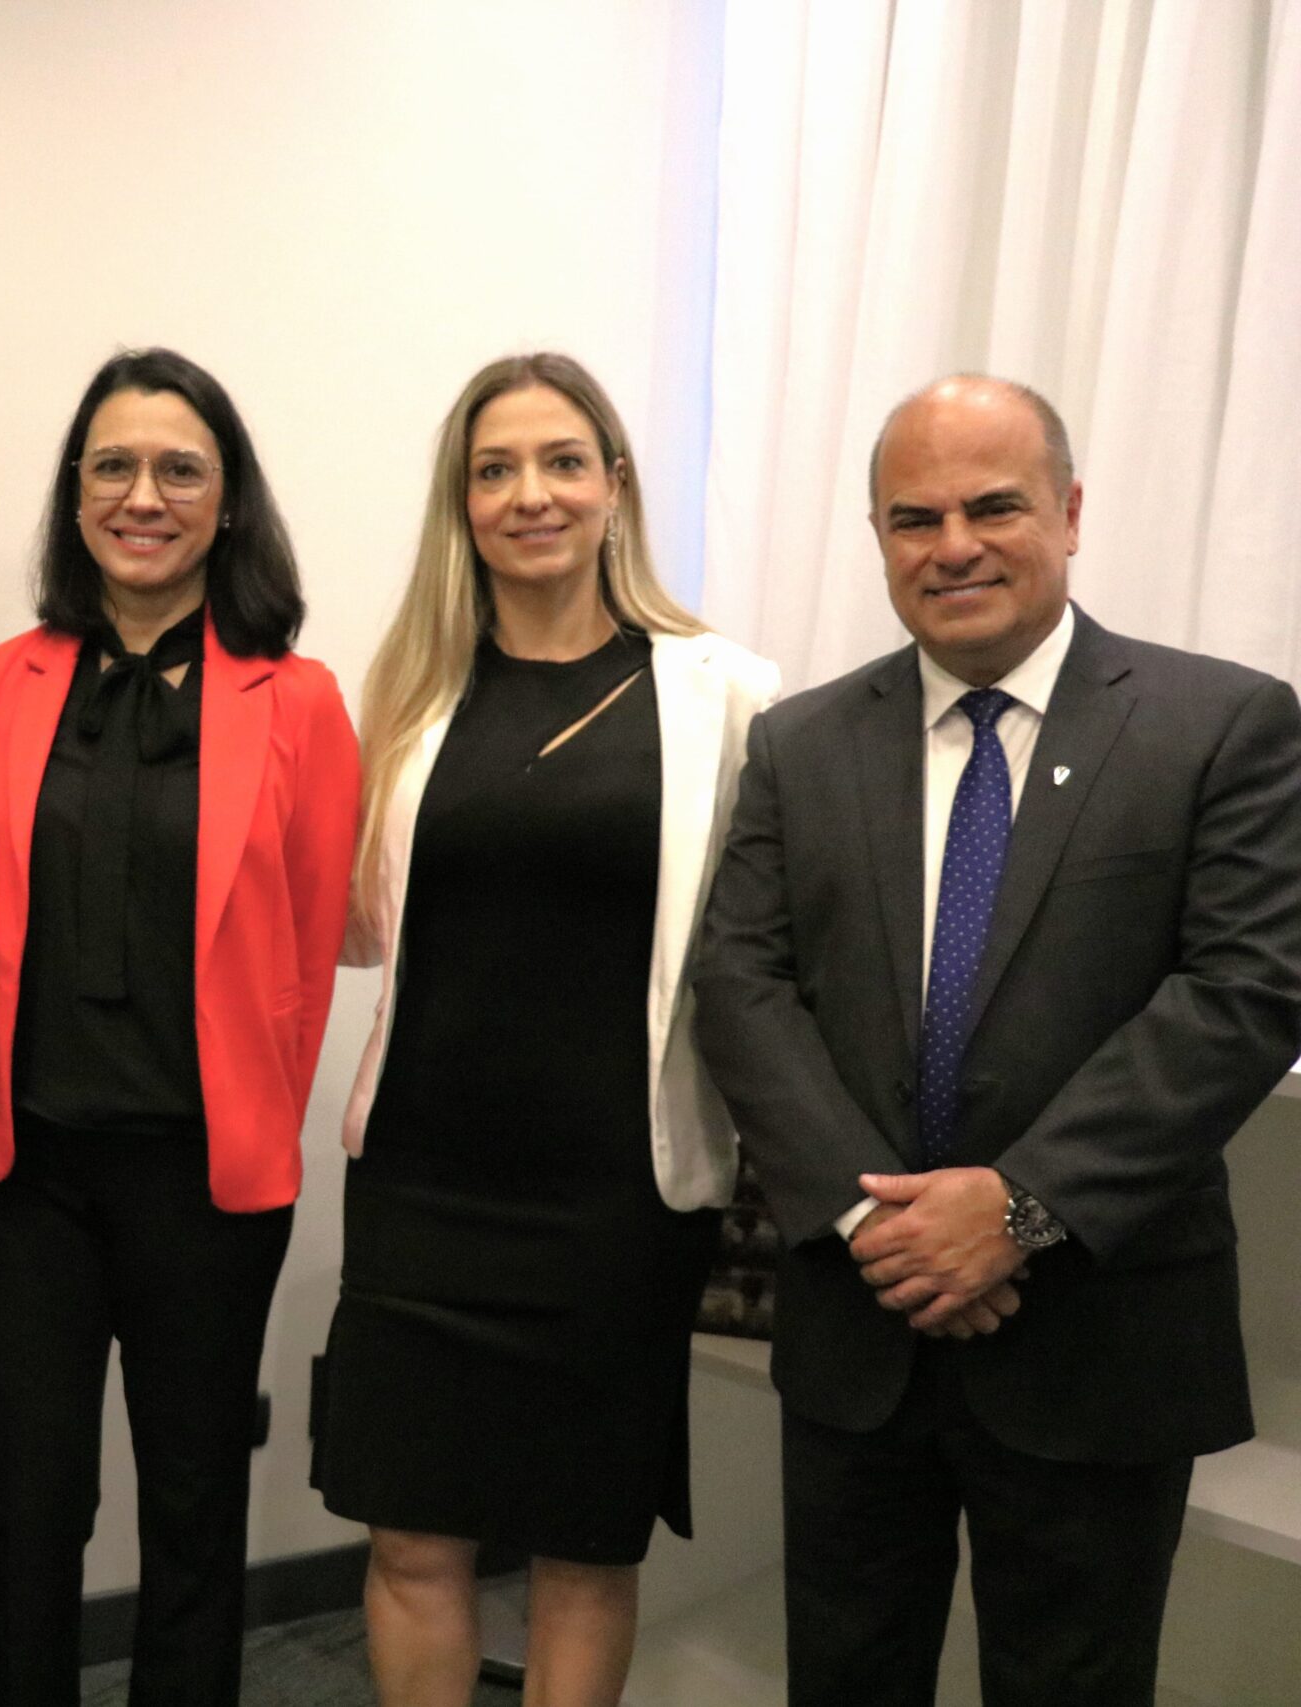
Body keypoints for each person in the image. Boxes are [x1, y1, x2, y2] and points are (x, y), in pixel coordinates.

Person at [693, 375, 1301, 1707]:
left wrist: (1016, 1206)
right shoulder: (801, 744)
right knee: (845, 1676)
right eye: (915, 516)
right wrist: (882, 1225)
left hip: (1097, 1332)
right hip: (864, 1325)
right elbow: (738, 981)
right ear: (877, 535)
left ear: (1071, 512)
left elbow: (1246, 992)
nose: (953, 542)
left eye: (994, 505)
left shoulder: (1223, 724)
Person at [313, 352, 781, 1707]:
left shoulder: (724, 693)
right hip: (421, 1177)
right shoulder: (405, 693)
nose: (533, 493)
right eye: (496, 469)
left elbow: (768, 942)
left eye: (563, 461)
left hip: (614, 1192)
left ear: (615, 487)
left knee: (583, 1540)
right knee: (410, 1532)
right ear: (461, 505)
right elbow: (348, 928)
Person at [0, 347, 359, 1704]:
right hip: (28, 1171)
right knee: (28, 1504)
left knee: (192, 1509)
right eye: (113, 465)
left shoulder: (297, 700)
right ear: (75, 495)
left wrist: (252, 1120)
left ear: (227, 500)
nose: (144, 494)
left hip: (206, 1177)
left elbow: (305, 952)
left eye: (180, 467)